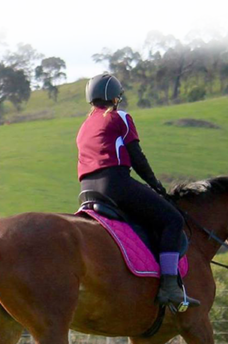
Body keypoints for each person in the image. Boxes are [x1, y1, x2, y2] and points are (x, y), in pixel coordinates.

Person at [76, 73, 189, 307]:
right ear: (115, 98)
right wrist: (156, 185)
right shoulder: (120, 118)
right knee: (172, 220)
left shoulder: (84, 126)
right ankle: (169, 285)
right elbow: (136, 156)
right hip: (115, 184)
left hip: (86, 190)